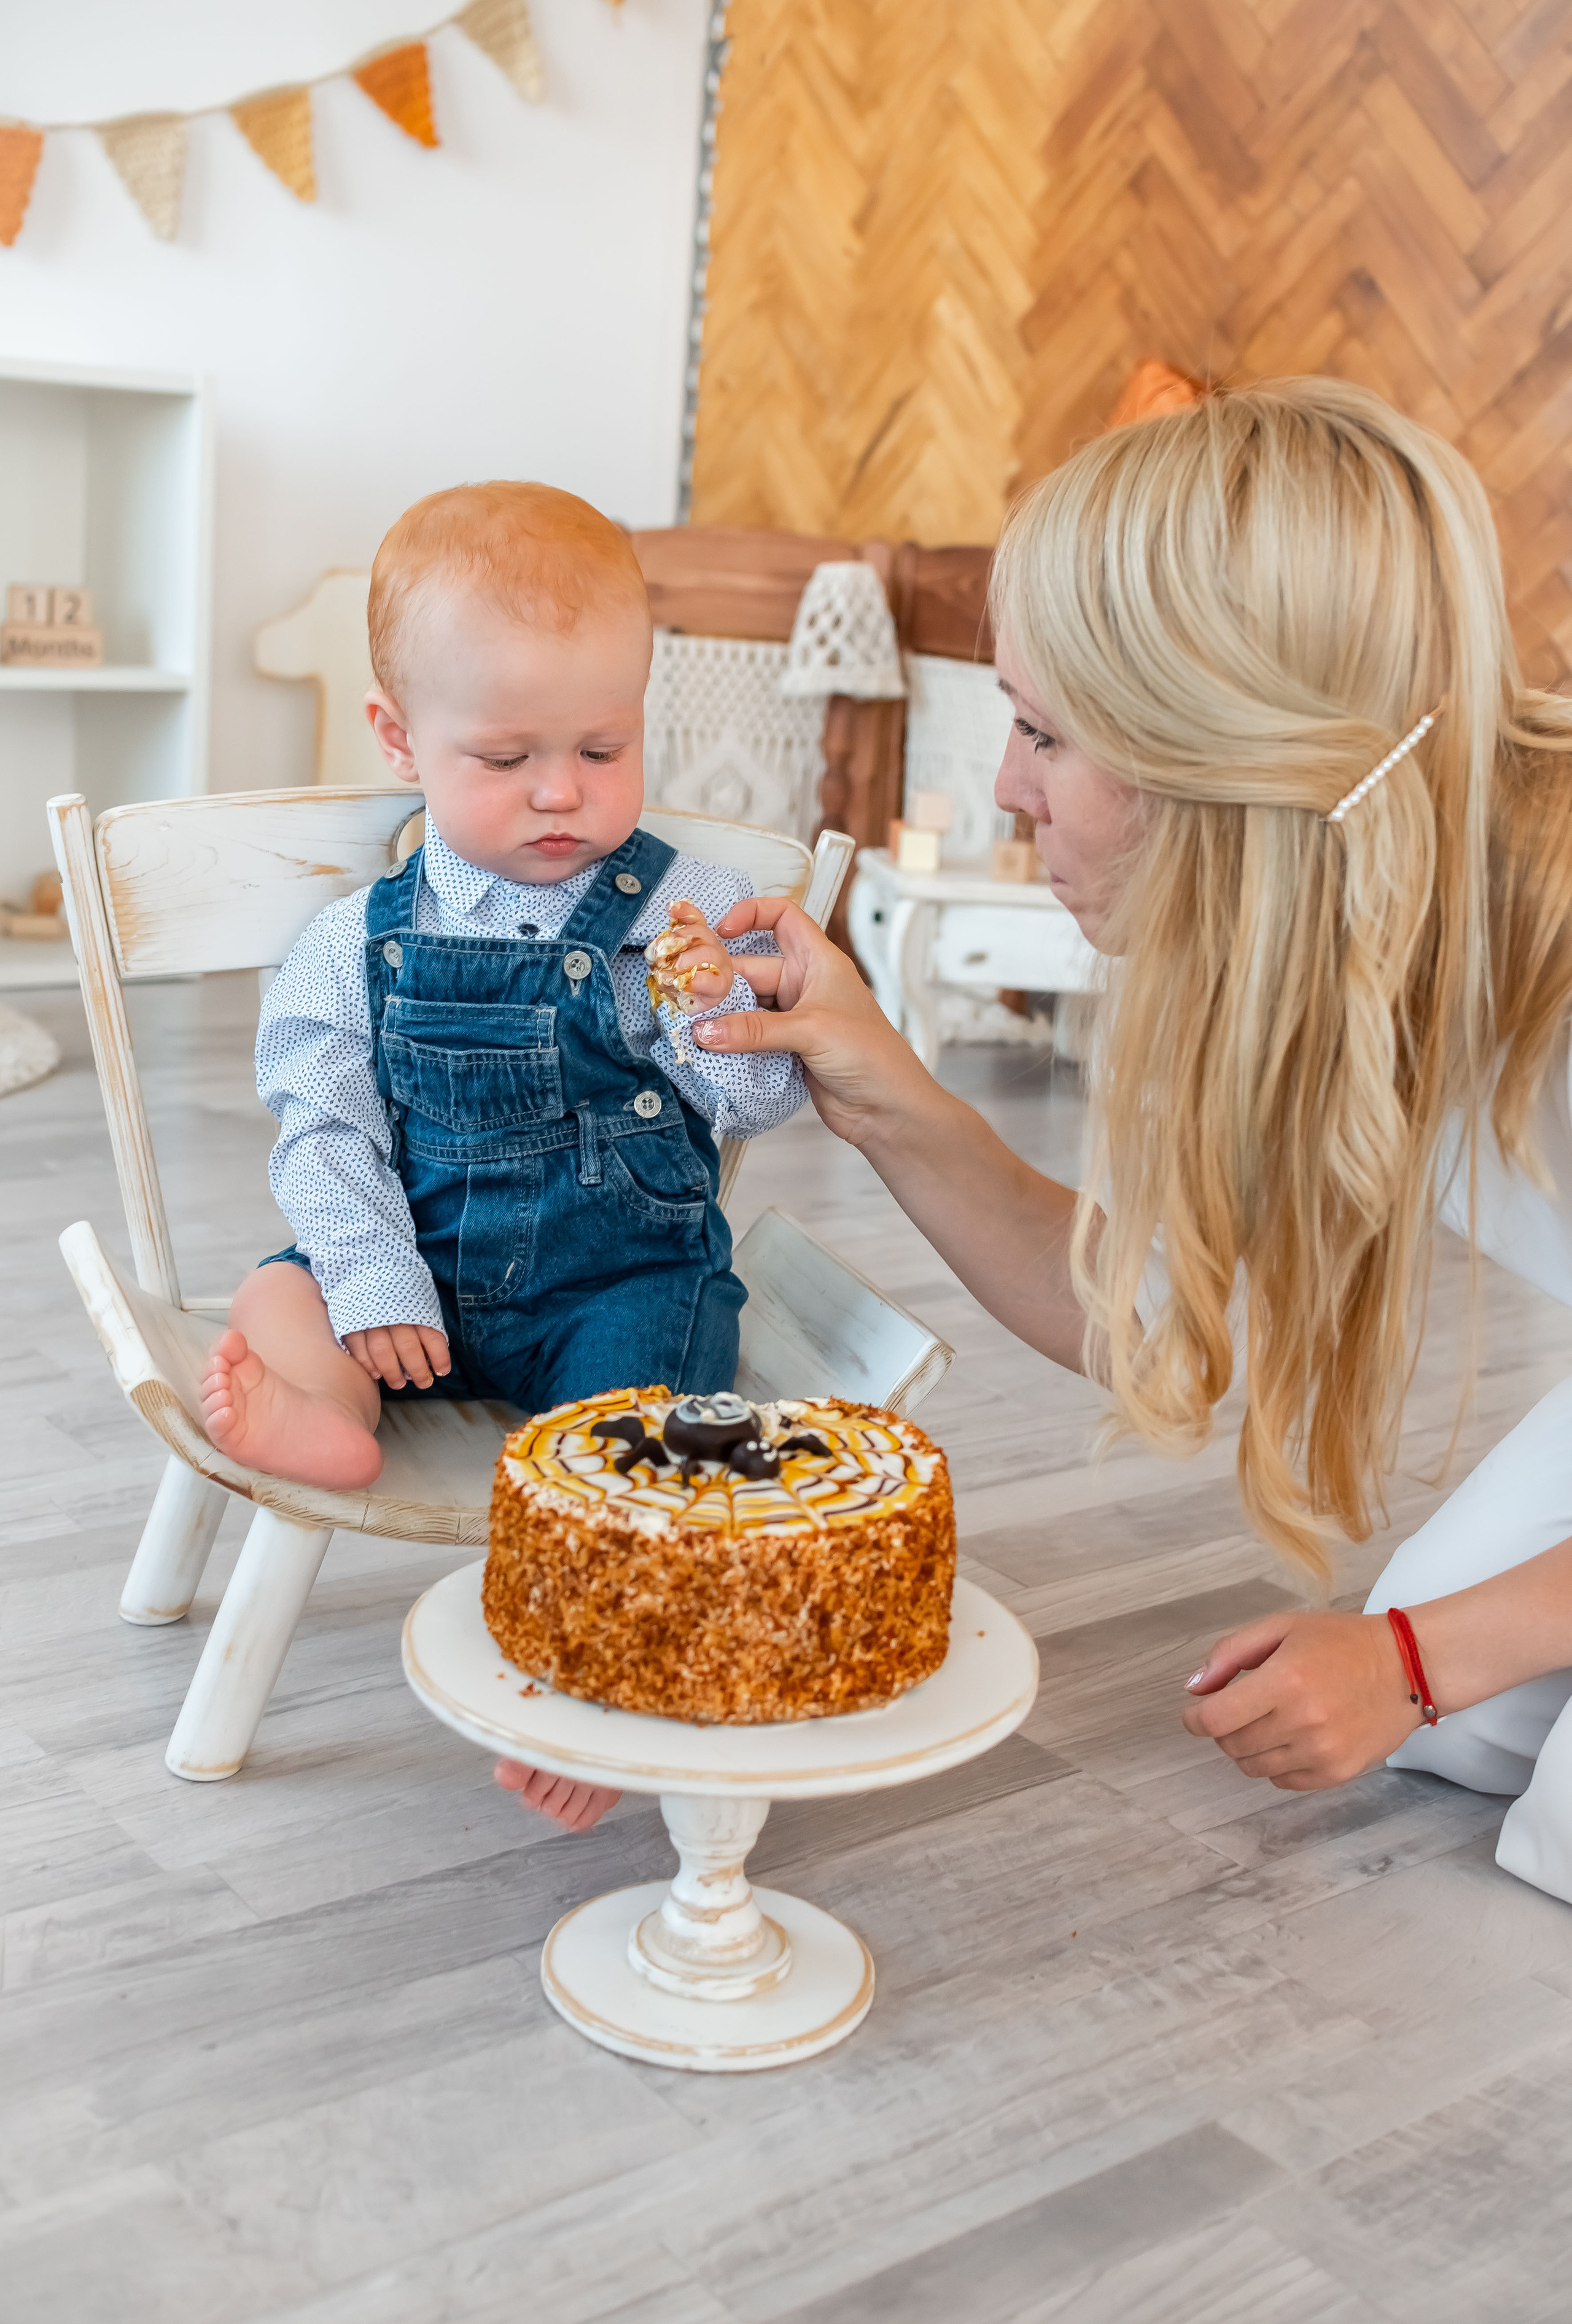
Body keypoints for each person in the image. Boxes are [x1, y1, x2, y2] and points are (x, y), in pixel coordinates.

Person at [683, 377, 1572, 1905]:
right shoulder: (1334, 935)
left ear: (1222, 755)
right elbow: (1149, 1318)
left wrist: (1415, 1660)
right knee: (1477, 1724)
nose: (1006, 792)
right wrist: (878, 1079)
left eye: (1041, 734)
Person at [199, 484, 803, 1495]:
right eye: (507, 757)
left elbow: (759, 1106)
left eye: (602, 751)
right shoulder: (354, 943)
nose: (561, 789)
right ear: (399, 740)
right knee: (279, 1293)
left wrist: (710, 1009)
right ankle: (328, 1409)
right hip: (413, 1286)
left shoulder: (690, 908)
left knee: (641, 1406)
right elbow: (325, 1132)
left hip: (612, 1290)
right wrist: (376, 1280)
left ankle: (586, 1485)